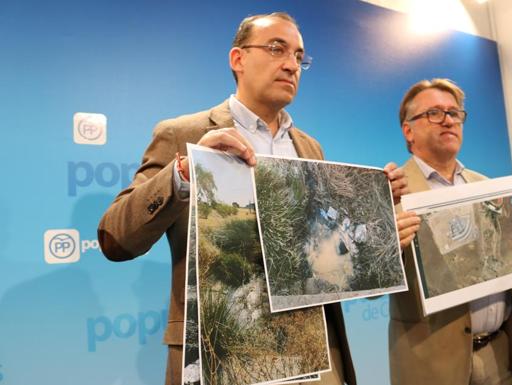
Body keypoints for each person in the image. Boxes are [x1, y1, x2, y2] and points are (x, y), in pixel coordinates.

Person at [98, 12, 406, 385]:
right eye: (277, 48)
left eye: (299, 56)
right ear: (238, 59)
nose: (291, 64)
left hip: (315, 356)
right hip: (225, 358)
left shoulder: (310, 147)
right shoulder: (183, 134)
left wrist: (378, 231)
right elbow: (115, 239)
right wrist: (182, 172)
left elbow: (326, 264)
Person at [390, 78, 512, 385]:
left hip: (499, 354)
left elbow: (508, 256)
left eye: (454, 113)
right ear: (408, 130)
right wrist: (387, 245)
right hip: (433, 365)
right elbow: (368, 279)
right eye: (435, 113)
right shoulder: (391, 192)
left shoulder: (486, 185)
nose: (449, 120)